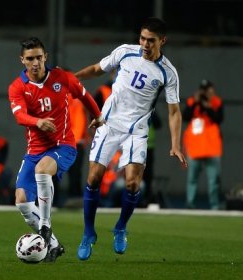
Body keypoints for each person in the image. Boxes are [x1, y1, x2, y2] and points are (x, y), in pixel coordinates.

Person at [74, 17, 188, 261]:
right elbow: (97, 69)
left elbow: (174, 110)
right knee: (93, 178)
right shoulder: (125, 52)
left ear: (162, 41)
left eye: (151, 40)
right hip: (108, 123)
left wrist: (176, 144)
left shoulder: (168, 72)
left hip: (136, 130)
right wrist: (72, 80)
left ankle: (121, 227)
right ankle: (88, 232)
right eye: (143, 38)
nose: (145, 44)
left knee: (132, 184)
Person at [8, 37, 103, 262]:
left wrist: (97, 115)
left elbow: (84, 95)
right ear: (22, 60)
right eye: (30, 58)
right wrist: (37, 122)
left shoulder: (63, 78)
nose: (35, 63)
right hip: (34, 150)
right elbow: (19, 115)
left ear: (45, 57)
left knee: (43, 169)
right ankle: (53, 244)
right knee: (21, 200)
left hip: (63, 146)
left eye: (39, 57)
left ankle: (45, 225)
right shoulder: (17, 87)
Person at [182, 79, 223, 210]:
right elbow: (186, 116)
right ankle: (190, 203)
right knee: (192, 179)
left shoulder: (216, 102)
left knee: (214, 180)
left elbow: (218, 118)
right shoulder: (192, 101)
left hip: (212, 148)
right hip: (195, 147)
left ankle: (215, 205)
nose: (205, 93)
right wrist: (196, 101)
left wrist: (207, 105)